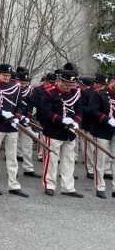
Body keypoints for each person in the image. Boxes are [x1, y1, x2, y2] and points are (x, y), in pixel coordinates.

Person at [0, 63, 29, 197]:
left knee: (12, 156)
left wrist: (17, 117)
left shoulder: (16, 87)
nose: (7, 77)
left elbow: (20, 105)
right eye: (4, 75)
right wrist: (0, 112)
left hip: (11, 126)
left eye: (8, 75)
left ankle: (14, 184)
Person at [39, 70, 84, 198]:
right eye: (67, 83)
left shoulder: (75, 93)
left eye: (71, 83)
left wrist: (76, 122)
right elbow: (45, 112)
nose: (69, 86)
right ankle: (49, 185)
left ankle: (68, 187)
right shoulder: (49, 93)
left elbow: (79, 111)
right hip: (54, 131)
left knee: (69, 161)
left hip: (70, 133)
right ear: (59, 81)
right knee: (51, 160)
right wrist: (61, 119)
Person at [87, 73, 115, 199]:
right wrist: (106, 119)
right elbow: (92, 111)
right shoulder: (99, 93)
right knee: (100, 159)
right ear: (112, 81)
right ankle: (100, 187)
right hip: (102, 130)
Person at [15, 70, 41, 178]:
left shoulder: (29, 91)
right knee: (13, 147)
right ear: (17, 81)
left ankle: (28, 168)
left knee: (28, 144)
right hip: (14, 121)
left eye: (25, 83)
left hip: (25, 121)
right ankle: (13, 171)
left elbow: (30, 105)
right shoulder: (11, 90)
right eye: (22, 82)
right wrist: (17, 116)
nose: (24, 85)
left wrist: (28, 117)